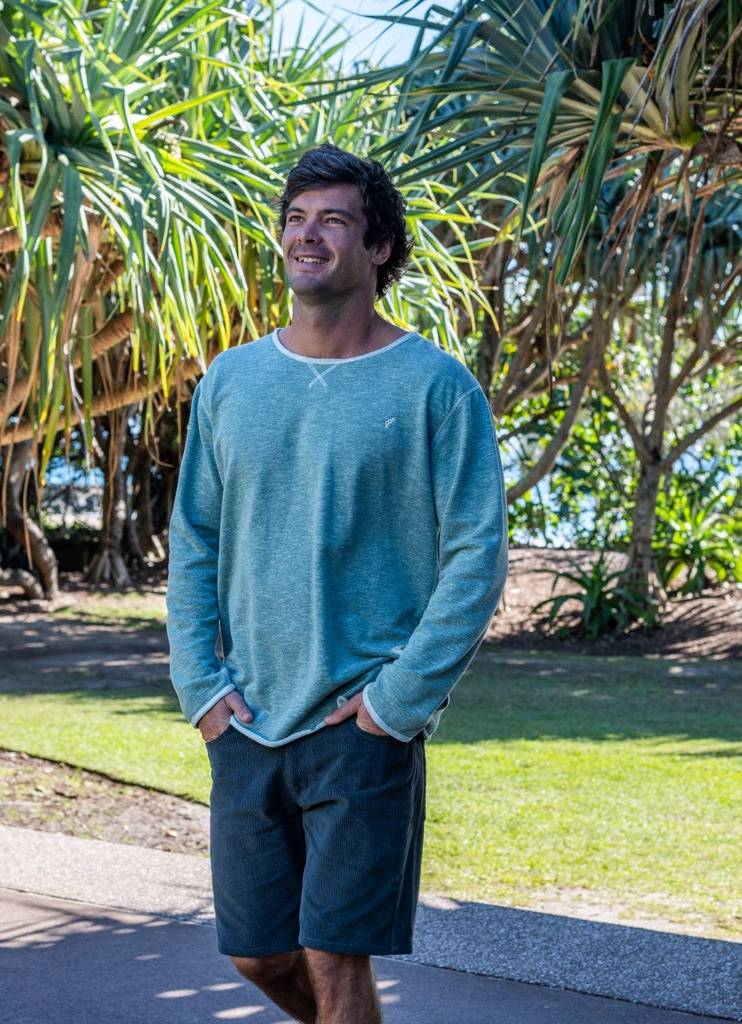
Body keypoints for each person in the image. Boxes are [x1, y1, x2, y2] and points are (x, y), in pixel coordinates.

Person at [166, 142, 509, 1024]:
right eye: (295, 217)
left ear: (379, 247)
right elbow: (194, 537)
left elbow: (476, 557)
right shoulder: (232, 380)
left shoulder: (437, 387)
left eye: (333, 219)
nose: (306, 235)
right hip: (244, 717)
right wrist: (200, 685)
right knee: (256, 953)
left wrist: (399, 702)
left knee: (333, 953)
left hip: (361, 721)